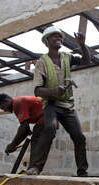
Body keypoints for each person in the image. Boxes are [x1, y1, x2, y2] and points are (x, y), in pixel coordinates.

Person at [31, 25, 90, 177]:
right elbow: (37, 90)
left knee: (79, 137)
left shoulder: (66, 57)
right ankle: (36, 167)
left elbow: (86, 61)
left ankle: (82, 170)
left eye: (60, 37)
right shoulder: (42, 62)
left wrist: (82, 45)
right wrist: (54, 92)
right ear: (47, 41)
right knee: (49, 129)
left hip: (67, 105)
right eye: (55, 36)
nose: (59, 38)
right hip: (51, 104)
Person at [0, 93, 45, 175]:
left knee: (36, 142)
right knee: (35, 141)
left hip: (45, 119)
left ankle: (33, 169)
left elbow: (23, 128)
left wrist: (12, 145)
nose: (4, 110)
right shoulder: (19, 103)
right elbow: (26, 130)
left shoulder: (17, 103)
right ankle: (32, 168)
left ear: (7, 101)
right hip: (44, 120)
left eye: (3, 107)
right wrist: (14, 144)